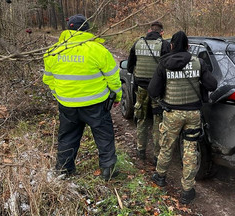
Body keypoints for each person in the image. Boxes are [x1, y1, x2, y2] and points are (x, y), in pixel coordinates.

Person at [43, 14, 122, 181]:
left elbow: (48, 79)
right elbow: (113, 78)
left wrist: (60, 95)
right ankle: (108, 169)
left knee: (68, 137)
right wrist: (117, 97)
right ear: (87, 30)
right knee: (104, 136)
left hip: (67, 105)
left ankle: (64, 170)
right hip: (96, 104)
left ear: (68, 29)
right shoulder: (98, 50)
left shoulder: (54, 51)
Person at [148, 31, 217, 204]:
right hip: (193, 114)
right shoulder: (198, 63)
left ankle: (160, 177)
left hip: (172, 114)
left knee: (167, 146)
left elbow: (153, 91)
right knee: (190, 150)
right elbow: (212, 84)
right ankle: (187, 190)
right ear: (188, 46)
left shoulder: (164, 64)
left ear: (171, 45)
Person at [127, 21, 170, 163]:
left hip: (141, 89)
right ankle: (157, 155)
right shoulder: (164, 45)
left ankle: (141, 150)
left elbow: (129, 67)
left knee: (141, 118)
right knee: (158, 121)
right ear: (161, 32)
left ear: (148, 30)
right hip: (157, 90)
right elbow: (167, 67)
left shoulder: (137, 44)